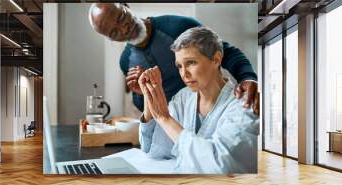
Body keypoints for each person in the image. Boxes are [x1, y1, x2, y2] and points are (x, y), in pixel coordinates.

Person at [88, 3, 259, 115]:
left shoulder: (178, 26)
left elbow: (225, 52)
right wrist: (141, 93)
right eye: (114, 33)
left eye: (121, 17)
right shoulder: (125, 61)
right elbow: (144, 107)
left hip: (216, 112)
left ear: (126, 5)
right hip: (174, 128)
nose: (124, 28)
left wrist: (248, 77)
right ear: (111, 39)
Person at [138, 27, 259, 174]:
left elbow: (222, 166)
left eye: (191, 63)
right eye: (179, 66)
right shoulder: (183, 98)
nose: (184, 74)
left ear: (216, 59)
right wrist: (149, 99)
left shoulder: (243, 104)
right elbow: (156, 150)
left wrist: (164, 118)